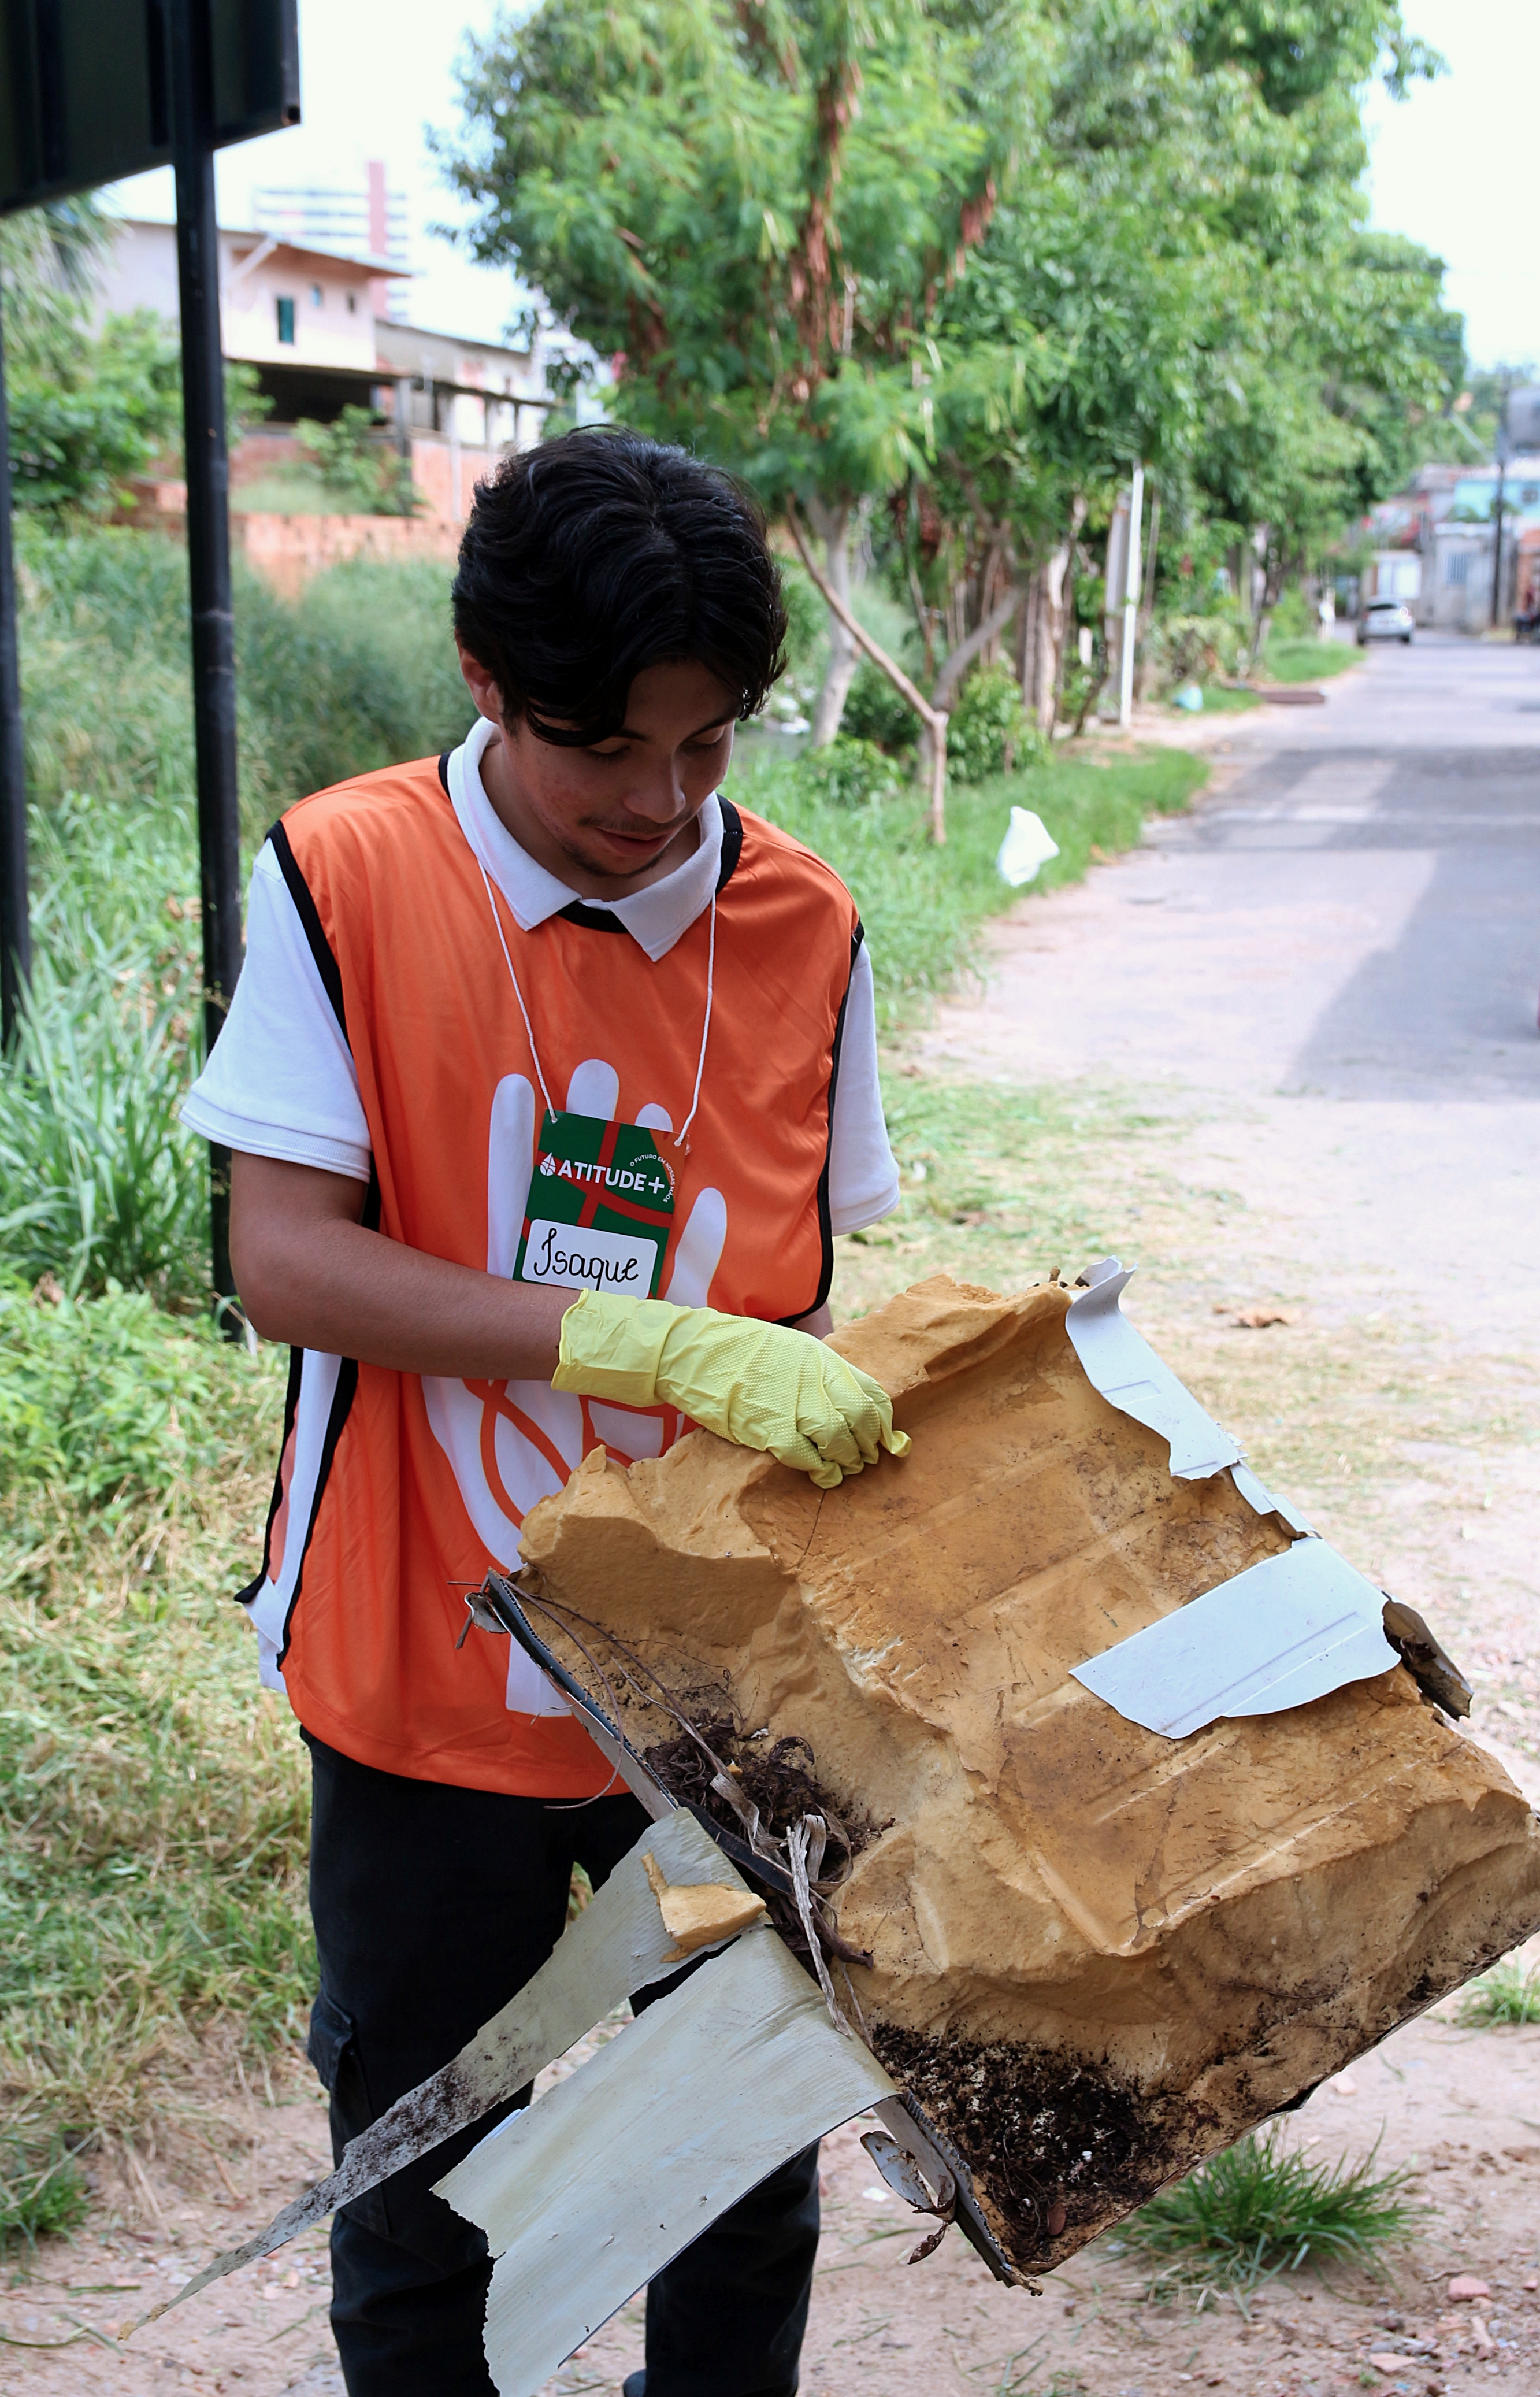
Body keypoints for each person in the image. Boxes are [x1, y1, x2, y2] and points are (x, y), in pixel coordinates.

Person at [180, 428, 908, 2397]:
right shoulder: (349, 873)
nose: (661, 804)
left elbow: (805, 1277)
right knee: (422, 2184)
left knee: (738, 2167)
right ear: (486, 678)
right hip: (427, 1658)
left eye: (709, 747)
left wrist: (791, 1368)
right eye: (609, 750)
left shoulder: (808, 927)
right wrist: (632, 1345)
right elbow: (286, 1260)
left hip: (709, 1689)